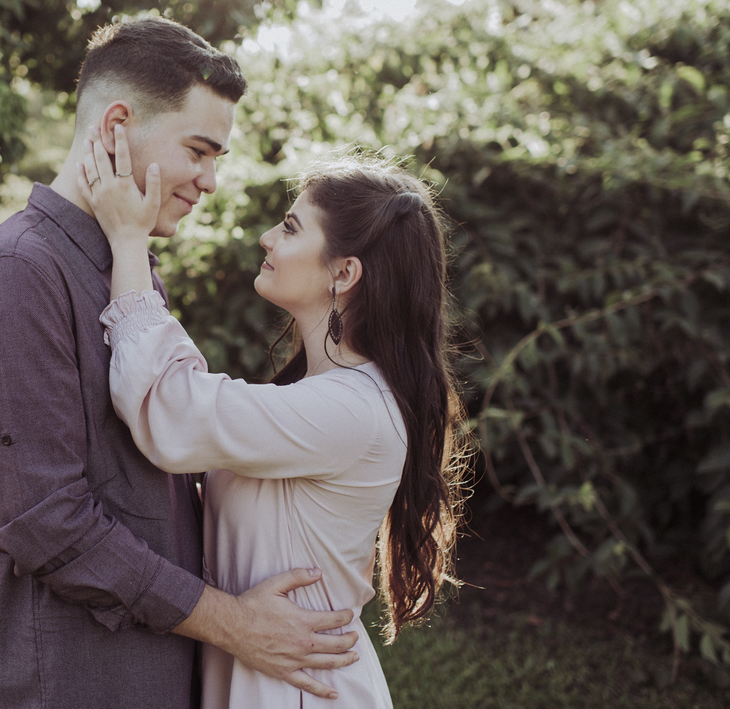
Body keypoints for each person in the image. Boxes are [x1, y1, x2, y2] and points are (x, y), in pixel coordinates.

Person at [0, 16, 360, 709]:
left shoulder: (123, 264)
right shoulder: (15, 274)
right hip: (68, 683)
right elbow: (50, 522)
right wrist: (237, 623)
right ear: (116, 125)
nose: (211, 180)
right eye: (199, 149)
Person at [78, 134, 469, 708]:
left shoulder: (351, 409)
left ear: (344, 272)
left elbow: (173, 409)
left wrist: (129, 239)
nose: (267, 237)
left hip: (298, 688)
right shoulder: (328, 396)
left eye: (289, 228)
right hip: (271, 677)